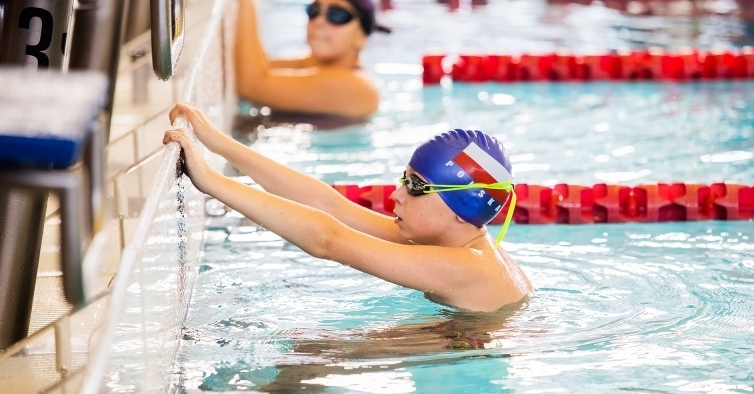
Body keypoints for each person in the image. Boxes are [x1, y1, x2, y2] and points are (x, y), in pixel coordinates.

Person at [163, 102, 533, 313]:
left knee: (311, 357)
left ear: (461, 206)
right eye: (405, 180)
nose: (396, 196)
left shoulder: (464, 267)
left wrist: (212, 182)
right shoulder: (454, 241)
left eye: (416, 186)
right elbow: (329, 205)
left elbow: (329, 240)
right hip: (456, 339)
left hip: (464, 352)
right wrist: (218, 143)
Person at [217, 0, 386, 119]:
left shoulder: (356, 86)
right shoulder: (319, 64)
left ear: (361, 37)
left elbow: (251, 85)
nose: (319, 21)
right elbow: (258, 66)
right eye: (314, 10)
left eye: (337, 15)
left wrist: (246, 0)